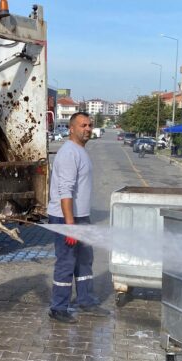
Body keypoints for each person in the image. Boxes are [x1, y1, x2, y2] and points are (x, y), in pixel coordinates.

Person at [46, 112, 110, 323]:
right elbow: (65, 190)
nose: (88, 129)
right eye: (83, 125)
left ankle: (85, 300)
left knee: (84, 261)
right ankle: (58, 307)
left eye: (90, 125)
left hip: (80, 217)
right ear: (71, 128)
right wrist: (70, 225)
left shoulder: (81, 151)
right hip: (66, 219)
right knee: (66, 263)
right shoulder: (68, 153)